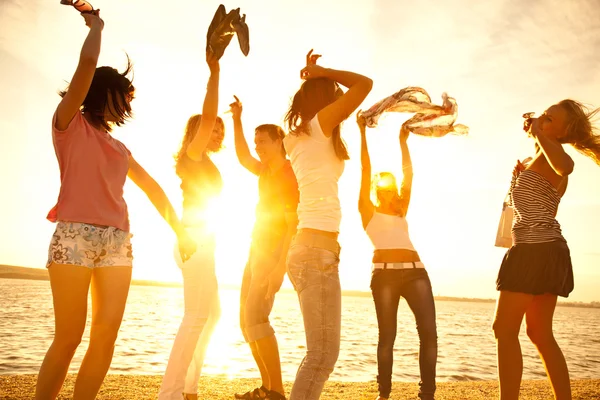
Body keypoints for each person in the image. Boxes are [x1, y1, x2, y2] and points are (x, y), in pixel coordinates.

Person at [36, 11, 195, 400]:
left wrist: (180, 228)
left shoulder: (120, 147)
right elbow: (87, 65)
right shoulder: (68, 126)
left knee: (105, 336)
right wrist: (96, 28)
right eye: (124, 94)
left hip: (118, 242)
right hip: (74, 236)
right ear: (102, 91)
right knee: (70, 336)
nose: (127, 101)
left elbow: (153, 188)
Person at [492, 100, 600, 400]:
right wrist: (518, 175)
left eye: (549, 119)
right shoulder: (535, 160)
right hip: (545, 250)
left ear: (564, 132)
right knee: (538, 333)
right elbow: (525, 204)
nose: (541, 119)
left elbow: (565, 167)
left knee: (504, 330)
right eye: (543, 114)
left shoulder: (558, 160)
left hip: (535, 251)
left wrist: (540, 136)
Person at [283, 49, 373, 400]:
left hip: (313, 249)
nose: (340, 100)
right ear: (325, 100)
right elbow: (364, 85)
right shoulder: (319, 126)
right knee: (321, 356)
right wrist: (326, 71)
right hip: (316, 251)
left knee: (321, 356)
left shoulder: (299, 138)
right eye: (334, 95)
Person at [158, 49, 224, 400]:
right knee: (196, 317)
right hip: (194, 241)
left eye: (220, 130)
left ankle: (187, 388)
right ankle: (169, 393)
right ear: (198, 131)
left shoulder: (204, 162)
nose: (217, 132)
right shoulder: (193, 156)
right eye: (212, 128)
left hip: (202, 241)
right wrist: (214, 73)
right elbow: (210, 109)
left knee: (211, 314)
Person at [356, 115, 437, 400]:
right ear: (378, 190)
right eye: (384, 188)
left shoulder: (401, 211)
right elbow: (365, 169)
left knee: (429, 334)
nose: (391, 192)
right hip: (385, 275)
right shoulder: (367, 211)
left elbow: (409, 175)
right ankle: (384, 394)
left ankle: (427, 394)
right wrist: (362, 133)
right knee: (387, 337)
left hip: (416, 272)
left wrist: (403, 142)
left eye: (393, 189)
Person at [229, 96, 298, 400]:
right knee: (246, 322)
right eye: (256, 141)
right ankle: (268, 388)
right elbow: (244, 158)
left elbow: (292, 226)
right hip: (255, 249)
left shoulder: (287, 175)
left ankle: (276, 392)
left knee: (257, 317)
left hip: (271, 255)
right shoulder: (267, 171)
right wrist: (236, 120)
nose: (257, 146)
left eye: (262, 141)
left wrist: (280, 267)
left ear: (278, 141)